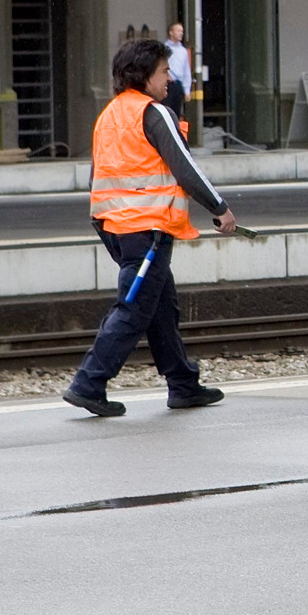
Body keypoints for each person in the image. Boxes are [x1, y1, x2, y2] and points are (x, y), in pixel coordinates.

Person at [62, 37, 239, 418]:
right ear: (143, 75)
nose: (170, 79)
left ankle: (183, 384)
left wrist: (105, 225)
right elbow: (185, 167)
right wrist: (219, 207)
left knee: (160, 306)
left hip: (116, 227)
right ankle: (89, 383)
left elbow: (99, 176)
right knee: (134, 308)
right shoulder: (153, 113)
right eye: (163, 71)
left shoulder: (109, 115)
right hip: (149, 229)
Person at [163, 21, 191, 123]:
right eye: (178, 30)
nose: (181, 33)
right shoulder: (163, 48)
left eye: (182, 31)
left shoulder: (183, 51)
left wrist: (187, 90)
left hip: (178, 85)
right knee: (166, 112)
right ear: (171, 32)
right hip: (166, 84)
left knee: (176, 114)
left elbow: (186, 70)